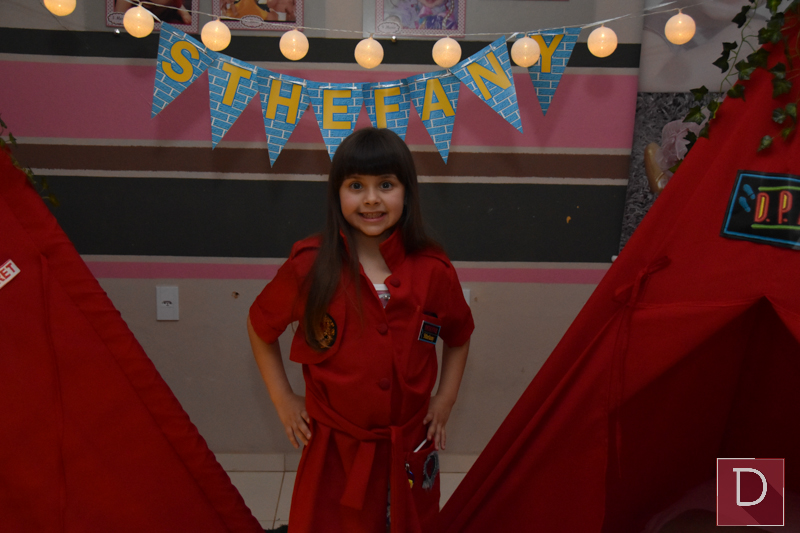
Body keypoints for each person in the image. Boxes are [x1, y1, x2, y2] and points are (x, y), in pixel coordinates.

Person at [247, 127, 474, 533]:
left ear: (407, 192)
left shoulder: (434, 271)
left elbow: (458, 336)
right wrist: (282, 399)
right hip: (335, 450)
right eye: (356, 186)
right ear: (337, 194)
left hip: (408, 447)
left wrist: (446, 399)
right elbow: (260, 325)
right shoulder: (310, 266)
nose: (371, 199)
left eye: (385, 184)